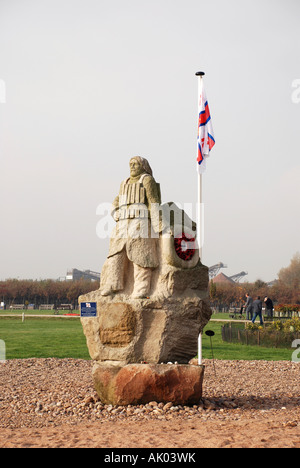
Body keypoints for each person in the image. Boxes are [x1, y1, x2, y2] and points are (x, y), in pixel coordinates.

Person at [100, 156, 161, 299]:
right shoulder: (124, 183)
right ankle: (112, 284)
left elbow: (153, 202)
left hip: (140, 221)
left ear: (143, 166)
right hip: (122, 223)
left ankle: (141, 288)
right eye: (130, 164)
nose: (132, 166)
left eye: (135, 164)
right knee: (116, 254)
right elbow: (117, 199)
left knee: (141, 257)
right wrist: (114, 211)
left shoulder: (147, 180)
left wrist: (159, 225)